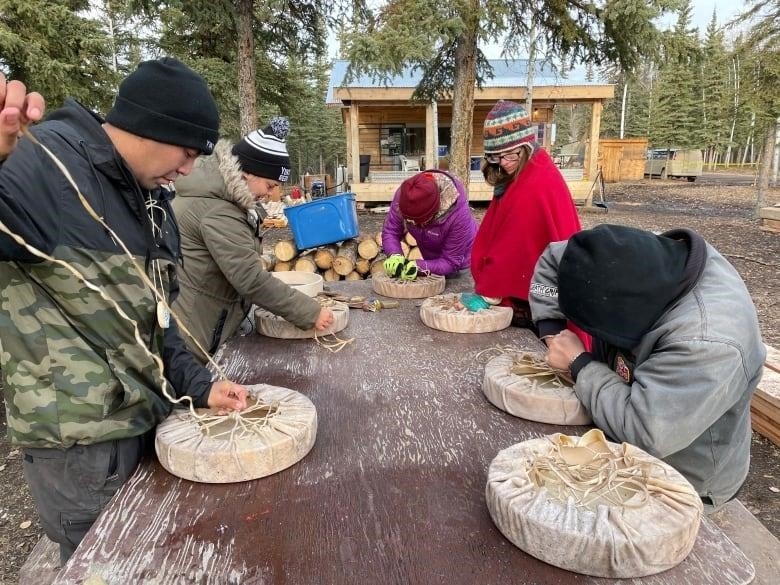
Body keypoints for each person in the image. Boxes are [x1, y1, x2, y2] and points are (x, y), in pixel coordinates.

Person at [0, 58, 248, 564]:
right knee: (105, 570)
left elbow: (156, 321)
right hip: (81, 449)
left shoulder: (152, 201)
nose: (189, 168)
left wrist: (199, 385)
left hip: (146, 423)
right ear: (152, 126)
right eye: (188, 150)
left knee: (157, 561)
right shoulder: (42, 167)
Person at [529, 224, 766, 510]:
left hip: (681, 476)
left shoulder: (707, 341)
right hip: (615, 436)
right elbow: (556, 258)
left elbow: (645, 431)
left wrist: (580, 363)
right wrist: (553, 332)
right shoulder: (635, 258)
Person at [172, 118, 334, 361]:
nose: (270, 195)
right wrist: (310, 312)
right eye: (270, 186)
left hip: (204, 322)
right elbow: (249, 278)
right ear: (248, 173)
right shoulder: (218, 210)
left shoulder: (226, 200)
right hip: (193, 336)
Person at [469, 100, 587, 345]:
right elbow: (497, 227)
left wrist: (491, 283)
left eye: (509, 154)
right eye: (495, 156)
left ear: (525, 146)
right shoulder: (520, 171)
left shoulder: (535, 183)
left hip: (543, 300)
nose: (502, 162)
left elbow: (513, 247)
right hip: (532, 298)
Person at [381, 170, 477, 280]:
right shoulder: (406, 195)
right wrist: (394, 254)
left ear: (434, 212)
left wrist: (420, 266)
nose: (413, 225)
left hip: (463, 265)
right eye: (409, 221)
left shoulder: (458, 216)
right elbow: (391, 231)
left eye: (418, 222)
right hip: (432, 260)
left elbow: (451, 261)